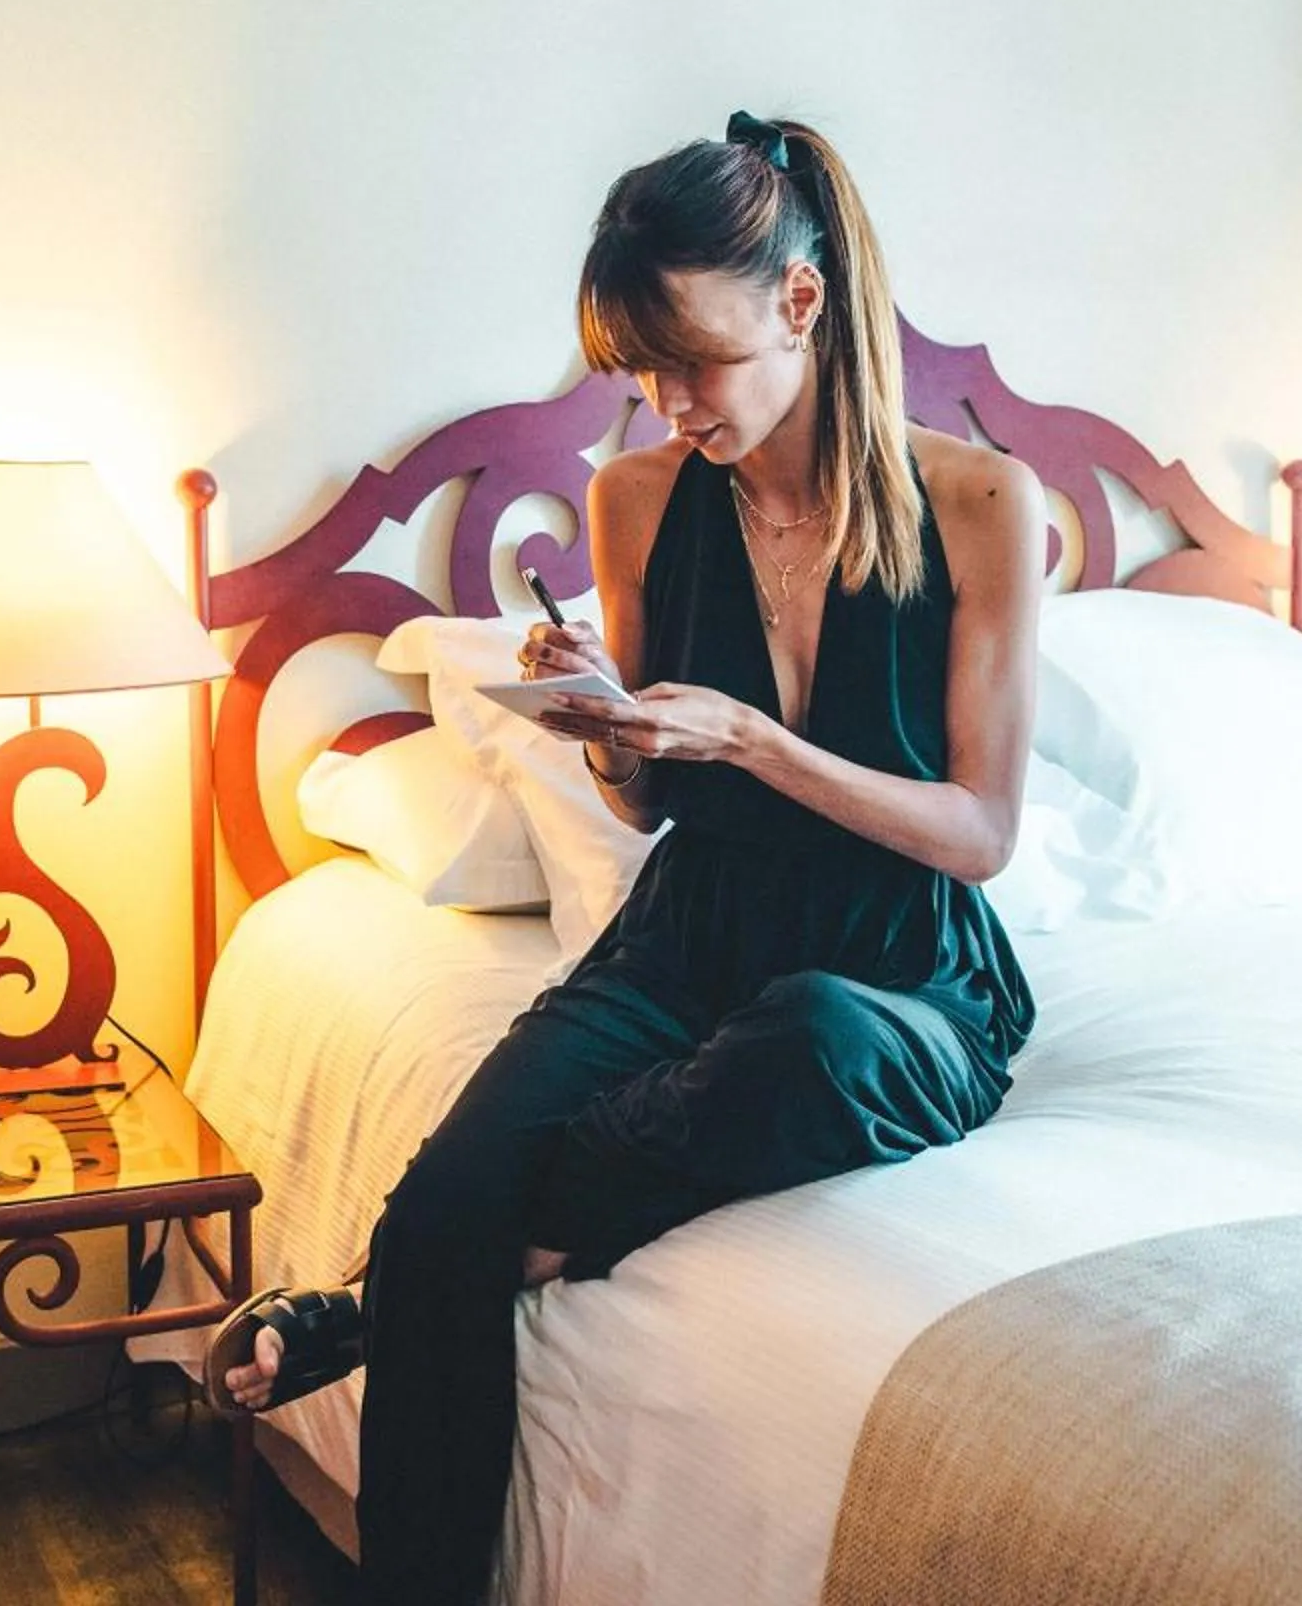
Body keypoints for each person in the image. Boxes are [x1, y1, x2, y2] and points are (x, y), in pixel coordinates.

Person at [207, 110, 1045, 1605]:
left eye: (692, 362)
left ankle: (394, 1296)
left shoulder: (979, 504)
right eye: (639, 372)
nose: (667, 404)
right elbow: (644, 805)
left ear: (800, 302)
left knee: (805, 1041)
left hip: (898, 963)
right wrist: (604, 717)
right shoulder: (638, 498)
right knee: (444, 1188)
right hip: (682, 937)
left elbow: (979, 835)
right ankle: (431, 1327)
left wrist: (761, 744)